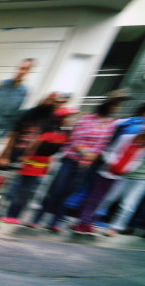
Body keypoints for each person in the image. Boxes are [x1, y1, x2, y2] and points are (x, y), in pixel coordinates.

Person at [29, 90, 129, 232]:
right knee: (57, 190)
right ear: (107, 104)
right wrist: (84, 153)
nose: (117, 108)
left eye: (119, 106)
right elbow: (76, 139)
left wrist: (92, 157)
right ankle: (36, 219)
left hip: (87, 164)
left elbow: (103, 144)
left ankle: (55, 223)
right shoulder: (86, 119)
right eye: (115, 104)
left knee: (69, 193)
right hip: (70, 159)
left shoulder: (111, 124)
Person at [0, 107, 79, 225]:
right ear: (60, 119)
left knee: (30, 193)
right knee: (23, 191)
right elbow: (34, 144)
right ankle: (12, 215)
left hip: (43, 166)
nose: (71, 120)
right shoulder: (48, 133)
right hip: (31, 165)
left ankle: (18, 215)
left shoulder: (64, 134)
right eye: (68, 117)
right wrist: (25, 156)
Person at [71, 130, 145, 235]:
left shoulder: (142, 148)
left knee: (102, 199)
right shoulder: (125, 138)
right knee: (95, 197)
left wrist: (126, 169)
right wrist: (113, 164)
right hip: (106, 172)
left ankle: (88, 222)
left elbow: (136, 161)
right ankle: (82, 222)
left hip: (119, 176)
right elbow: (111, 151)